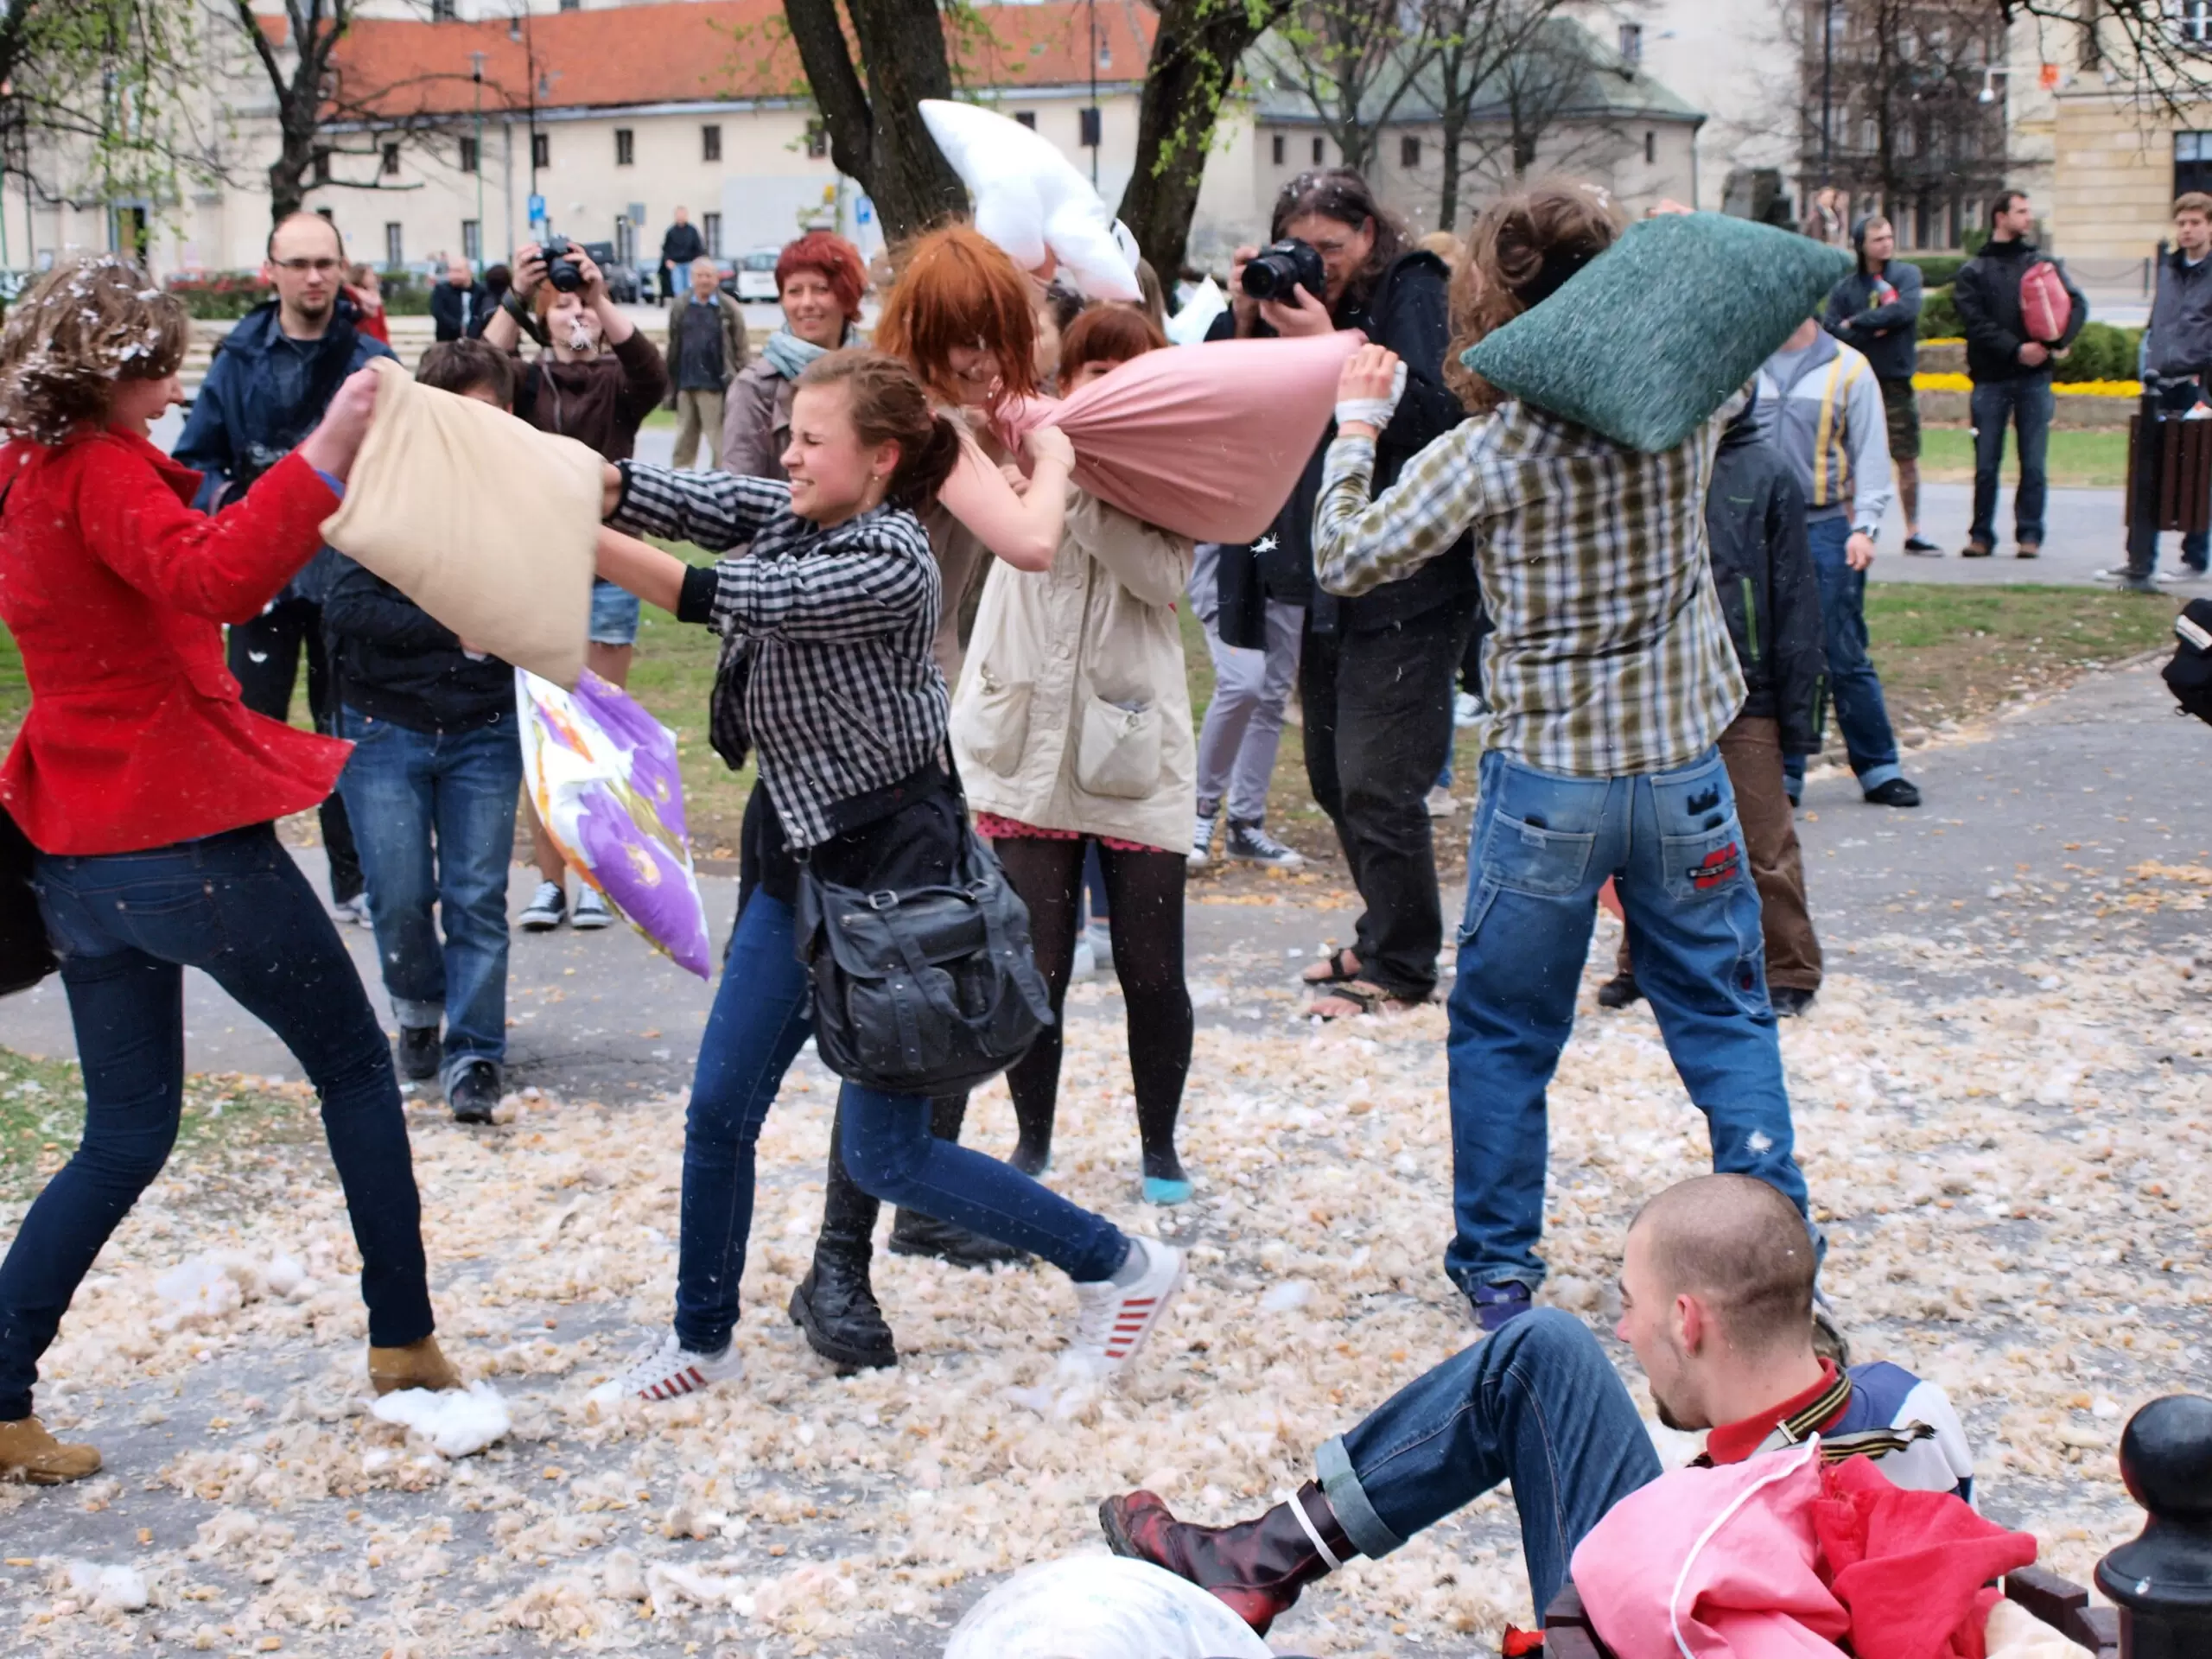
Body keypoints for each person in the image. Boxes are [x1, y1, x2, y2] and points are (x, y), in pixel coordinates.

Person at [585, 349, 1185, 1402]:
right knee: (719, 1107)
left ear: (882, 460)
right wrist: (597, 480)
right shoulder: (798, 507)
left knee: (890, 1159)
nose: (790, 455)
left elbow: (717, 594)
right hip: (797, 856)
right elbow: (705, 497)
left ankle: (1121, 1268)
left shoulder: (889, 557)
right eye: (789, 436)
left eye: (813, 441)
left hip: (895, 881)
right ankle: (699, 1339)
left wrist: (572, 536)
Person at [1310, 184, 1818, 1333]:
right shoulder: (1689, 406)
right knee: (1725, 1017)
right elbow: (1723, 333)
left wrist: (1353, 428)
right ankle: (1781, 1238)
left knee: (1504, 1030)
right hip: (1683, 771)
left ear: (1490, 305)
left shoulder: (1494, 450)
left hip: (1549, 785)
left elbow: (1345, 554)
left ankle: (1499, 1270)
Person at [0, 258, 461, 1484]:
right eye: (158, 362)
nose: (174, 383)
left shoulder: (26, 474)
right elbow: (218, 576)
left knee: (126, 1131)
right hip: (182, 842)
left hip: (78, 858)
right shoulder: (96, 474)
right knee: (359, 1068)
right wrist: (331, 444)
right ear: (113, 372)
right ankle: (404, 1339)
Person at [1100, 1174, 1973, 1637]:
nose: (1624, 1331)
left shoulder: (1717, 1511)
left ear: (1687, 1319)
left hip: (1660, 1621)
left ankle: (1258, 1562)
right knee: (1543, 1348)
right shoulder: (1910, 1412)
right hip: (1713, 1583)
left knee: (1537, 1351)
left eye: (1630, 1303)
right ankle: (1264, 1557)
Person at [774, 225, 1086, 1363]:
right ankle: (842, 1266)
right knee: (902, 1001)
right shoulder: (918, 425)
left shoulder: (933, 412)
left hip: (907, 742)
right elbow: (1033, 540)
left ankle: (902, 1220)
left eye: (1000, 345)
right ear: (933, 343)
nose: (994, 369)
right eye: (974, 347)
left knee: (939, 984)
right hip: (868, 764)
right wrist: (1045, 460)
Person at [1211, 169, 1478, 1020]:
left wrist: (1329, 342)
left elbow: (1440, 417)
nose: (1317, 264)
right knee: (1330, 776)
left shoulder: (1415, 290)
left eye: (1333, 247)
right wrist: (1246, 317)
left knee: (1377, 779)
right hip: (1322, 567)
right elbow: (1233, 401)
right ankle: (1384, 930)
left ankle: (1402, 967)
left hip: (1408, 574)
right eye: (1304, 248)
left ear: (1370, 235)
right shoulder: (1291, 301)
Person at [952, 305, 1198, 1205]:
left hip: (1131, 746)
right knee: (1034, 967)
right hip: (1024, 742)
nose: (1100, 384)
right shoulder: (1014, 443)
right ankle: (1032, 1140)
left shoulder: (1174, 468)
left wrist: (1079, 483)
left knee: (1152, 966)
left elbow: (1166, 578)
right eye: (1088, 368)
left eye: (1121, 368)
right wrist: (1038, 459)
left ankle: (1160, 1145)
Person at [174, 211, 394, 929]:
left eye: (325, 263)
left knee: (345, 730)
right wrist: (231, 501)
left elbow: (399, 464)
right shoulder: (239, 358)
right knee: (251, 728)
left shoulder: (366, 362)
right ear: (271, 270)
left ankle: (354, 881)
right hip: (258, 574)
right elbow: (197, 457)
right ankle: (249, 879)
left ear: (342, 267)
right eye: (298, 263)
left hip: (346, 578)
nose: (313, 277)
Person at [325, 339, 524, 1125]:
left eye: (497, 412)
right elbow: (346, 606)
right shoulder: (381, 488)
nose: (486, 429)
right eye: (466, 415)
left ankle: (476, 1052)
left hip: (485, 723)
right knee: (400, 893)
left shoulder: (521, 491)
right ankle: (416, 1010)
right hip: (386, 722)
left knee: (476, 896)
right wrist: (453, 628)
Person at [1600, 392, 1828, 1019]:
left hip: (1745, 685)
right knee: (1645, 837)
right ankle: (1644, 961)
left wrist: (1799, 710)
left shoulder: (1765, 470)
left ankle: (1789, 965)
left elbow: (1795, 594)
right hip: (1658, 678)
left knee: (1762, 839)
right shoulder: (1647, 457)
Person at [483, 238, 670, 932]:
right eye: (558, 306)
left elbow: (655, 374)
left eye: (577, 303)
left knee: (596, 726)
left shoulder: (619, 382)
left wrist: (600, 294)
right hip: (541, 567)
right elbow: (475, 374)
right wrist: (514, 295)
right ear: (542, 318)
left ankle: (599, 876)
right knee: (543, 729)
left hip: (611, 566)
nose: (572, 314)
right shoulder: (528, 383)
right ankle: (549, 880)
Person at [1759, 315, 1922, 810]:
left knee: (1840, 647)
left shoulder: (1848, 368)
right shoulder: (1745, 363)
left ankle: (1878, 767)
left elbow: (1871, 451)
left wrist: (1865, 528)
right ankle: (1783, 773)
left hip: (1825, 524)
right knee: (1769, 653)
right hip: (1758, 527)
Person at [1953, 190, 2087, 559]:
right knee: (1985, 465)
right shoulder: (1973, 271)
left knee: (2033, 463)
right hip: (1991, 379)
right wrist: (2016, 349)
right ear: (2001, 217)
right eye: (2021, 211)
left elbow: (2076, 303)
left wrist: (2058, 342)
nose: (2028, 218)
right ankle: (1981, 536)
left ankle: (2029, 536)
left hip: (2035, 379)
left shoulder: (2042, 263)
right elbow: (1975, 323)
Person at [2113, 192, 2212, 588]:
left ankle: (2195, 557)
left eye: (2195, 223)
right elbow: (2158, 320)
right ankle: (2140, 557)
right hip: (2161, 380)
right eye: (2182, 223)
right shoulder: (2168, 268)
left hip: (2195, 383)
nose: (2187, 230)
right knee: (2148, 469)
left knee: (2196, 472)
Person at [1186, 539, 1303, 870]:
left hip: (1287, 565)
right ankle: (1201, 811)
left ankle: (1245, 825)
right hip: (1227, 565)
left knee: (1271, 699)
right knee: (1242, 684)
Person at [1825, 215, 1934, 554]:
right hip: (1857, 381)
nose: (1886, 244)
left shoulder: (1906, 276)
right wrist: (1869, 327)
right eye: (1878, 240)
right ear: (1862, 245)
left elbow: (1904, 311)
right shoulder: (1846, 288)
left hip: (1894, 379)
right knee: (1850, 458)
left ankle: (1913, 530)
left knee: (1906, 457)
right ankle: (1855, 528)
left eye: (1889, 238)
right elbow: (1832, 329)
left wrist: (1859, 322)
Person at [721, 231, 866, 480]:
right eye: (795, 291)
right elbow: (740, 491)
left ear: (848, 297)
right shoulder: (755, 387)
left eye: (821, 289)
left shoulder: (875, 376)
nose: (807, 303)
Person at [666, 255, 748, 470]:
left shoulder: (728, 308)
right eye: (700, 275)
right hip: (686, 382)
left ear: (717, 279)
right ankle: (680, 481)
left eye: (709, 276)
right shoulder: (681, 305)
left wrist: (741, 378)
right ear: (692, 278)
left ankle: (721, 481)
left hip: (715, 384)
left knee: (718, 440)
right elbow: (674, 341)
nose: (704, 280)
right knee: (684, 439)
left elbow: (741, 347)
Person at [430, 254, 491, 342]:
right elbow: (438, 312)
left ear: (469, 271)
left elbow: (484, 313)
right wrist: (458, 327)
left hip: (476, 341)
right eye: (450, 271)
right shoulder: (441, 290)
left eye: (458, 271)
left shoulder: (481, 291)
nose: (453, 275)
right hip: (448, 341)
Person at [659, 207, 705, 302]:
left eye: (682, 214)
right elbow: (666, 248)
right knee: (678, 288)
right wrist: (668, 260)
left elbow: (699, 246)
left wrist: (697, 261)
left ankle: (691, 305)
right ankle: (680, 306)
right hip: (676, 265)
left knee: (690, 286)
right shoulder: (671, 232)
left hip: (690, 263)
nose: (680, 217)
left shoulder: (692, 231)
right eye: (678, 215)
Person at [345, 262, 391, 345]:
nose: (373, 278)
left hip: (378, 342)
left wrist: (386, 345)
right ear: (360, 276)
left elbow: (382, 326)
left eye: (373, 274)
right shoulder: (352, 295)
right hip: (360, 342)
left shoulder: (376, 298)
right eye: (369, 275)